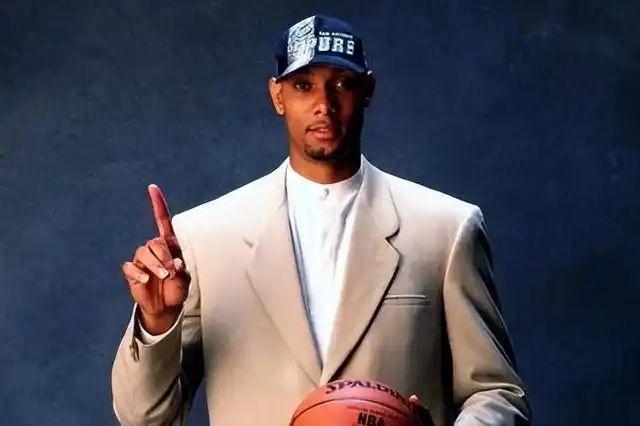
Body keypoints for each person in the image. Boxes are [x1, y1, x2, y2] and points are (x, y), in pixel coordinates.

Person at [111, 14, 530, 426]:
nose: (324, 105)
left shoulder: (446, 229)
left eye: (343, 84)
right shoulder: (204, 238)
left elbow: (496, 392)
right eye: (303, 85)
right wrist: (156, 323)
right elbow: (144, 419)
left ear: (367, 90)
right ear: (277, 96)